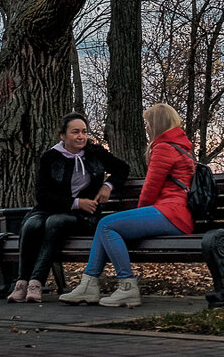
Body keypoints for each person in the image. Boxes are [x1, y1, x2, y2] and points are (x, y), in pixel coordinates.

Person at [58, 102, 194, 308]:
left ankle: (126, 287)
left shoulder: (164, 148)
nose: (146, 127)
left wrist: (138, 219)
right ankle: (89, 285)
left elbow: (150, 190)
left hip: (170, 213)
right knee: (107, 225)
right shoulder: (178, 145)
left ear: (157, 124)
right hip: (173, 213)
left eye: (148, 123)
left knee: (106, 225)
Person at [7, 112, 130, 303]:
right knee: (32, 225)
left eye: (84, 131)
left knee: (55, 222)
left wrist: (108, 185)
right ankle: (21, 282)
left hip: (83, 215)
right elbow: (42, 195)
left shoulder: (95, 153)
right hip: (50, 208)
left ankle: (36, 281)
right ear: (63, 136)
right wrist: (75, 202)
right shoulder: (50, 157)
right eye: (75, 132)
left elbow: (123, 168)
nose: (81, 136)